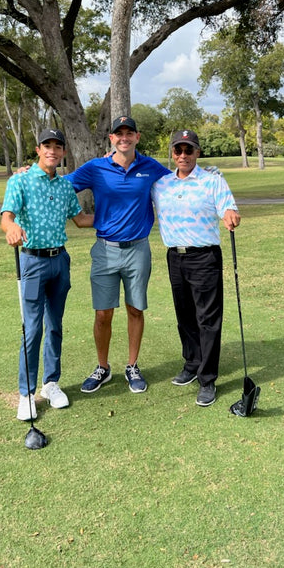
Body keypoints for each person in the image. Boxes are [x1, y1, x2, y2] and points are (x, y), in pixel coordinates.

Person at [64, 116, 170, 395]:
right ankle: (102, 367)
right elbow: (61, 186)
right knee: (103, 314)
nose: (124, 137)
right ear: (111, 138)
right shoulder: (96, 168)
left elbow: (179, 185)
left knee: (135, 309)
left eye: (129, 133)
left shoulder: (151, 167)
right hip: (105, 250)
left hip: (138, 249)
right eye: (118, 133)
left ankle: (132, 365)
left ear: (137, 136)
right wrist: (29, 175)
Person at [0, 128, 93, 421]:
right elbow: (7, 216)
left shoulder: (65, 187)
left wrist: (123, 211)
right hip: (32, 262)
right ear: (38, 149)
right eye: (47, 145)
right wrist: (11, 228)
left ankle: (50, 384)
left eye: (57, 146)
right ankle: (26, 393)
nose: (52, 150)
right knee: (32, 328)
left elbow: (81, 220)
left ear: (63, 152)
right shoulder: (21, 180)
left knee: (55, 326)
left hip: (59, 260)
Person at [151, 129, 241, 407]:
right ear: (172, 153)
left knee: (207, 320)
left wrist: (230, 215)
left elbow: (228, 208)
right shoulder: (161, 184)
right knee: (185, 316)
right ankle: (192, 363)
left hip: (204, 257)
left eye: (188, 150)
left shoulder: (212, 180)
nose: (183, 155)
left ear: (197, 152)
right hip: (174, 257)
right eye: (178, 150)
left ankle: (207, 378)